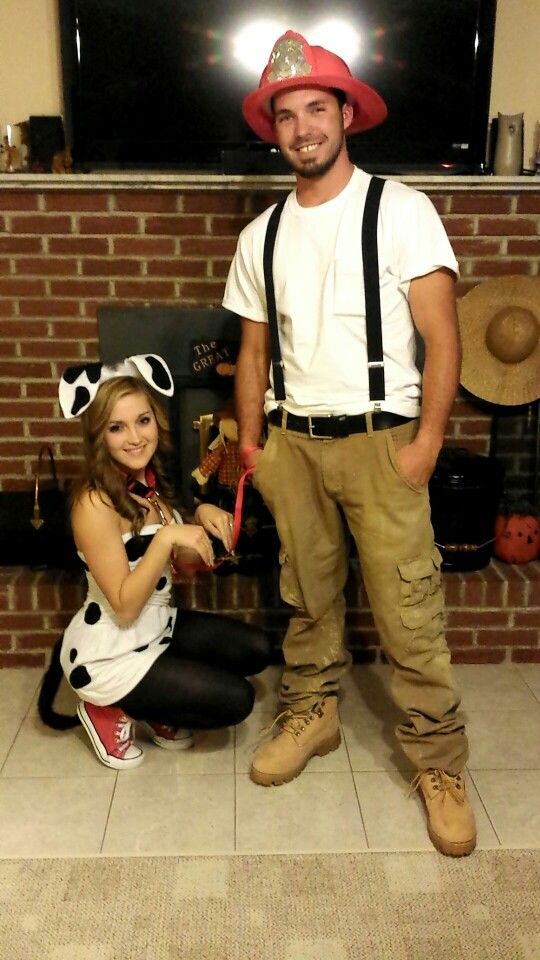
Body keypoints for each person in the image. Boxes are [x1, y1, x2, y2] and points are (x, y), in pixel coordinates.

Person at [222, 30, 476, 857]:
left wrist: (427, 443)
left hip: (383, 441)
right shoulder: (260, 235)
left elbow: (445, 336)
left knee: (409, 613)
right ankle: (315, 714)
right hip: (292, 445)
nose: (303, 129)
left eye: (316, 110)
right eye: (286, 116)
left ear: (345, 116)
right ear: (275, 130)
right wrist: (253, 449)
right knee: (308, 595)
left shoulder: (402, 210)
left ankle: (437, 762)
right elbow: (254, 352)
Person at [39, 354, 272, 770]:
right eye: (117, 427)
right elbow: (126, 605)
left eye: (142, 421)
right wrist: (167, 537)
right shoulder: (94, 503)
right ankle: (106, 708)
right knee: (237, 700)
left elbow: (178, 566)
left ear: (156, 421)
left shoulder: (149, 485)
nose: (134, 437)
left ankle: (158, 701)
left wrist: (200, 520)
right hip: (111, 650)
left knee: (257, 650)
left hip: (155, 626)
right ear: (99, 436)